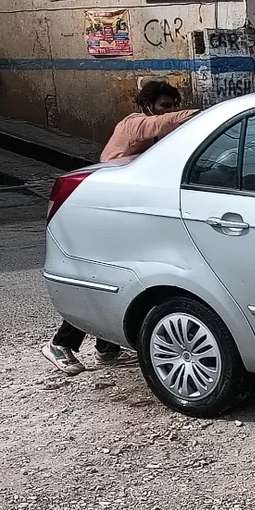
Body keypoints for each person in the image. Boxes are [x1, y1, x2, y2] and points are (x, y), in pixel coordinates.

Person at [41, 80, 197, 376]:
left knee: (123, 279)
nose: (171, 111)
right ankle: (61, 344)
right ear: (147, 105)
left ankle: (106, 348)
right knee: (102, 279)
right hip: (106, 208)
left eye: (173, 105)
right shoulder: (135, 124)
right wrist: (203, 115)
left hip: (126, 209)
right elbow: (162, 124)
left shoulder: (157, 133)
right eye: (165, 105)